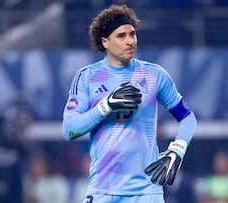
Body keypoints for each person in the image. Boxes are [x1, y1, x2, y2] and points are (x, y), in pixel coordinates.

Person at [62, 4, 197, 203]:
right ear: (105, 41)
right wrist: (106, 106)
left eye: (132, 34)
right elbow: (69, 130)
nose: (130, 41)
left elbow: (187, 117)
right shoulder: (87, 77)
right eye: (121, 36)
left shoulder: (154, 75)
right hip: (102, 190)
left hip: (146, 192)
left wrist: (178, 149)